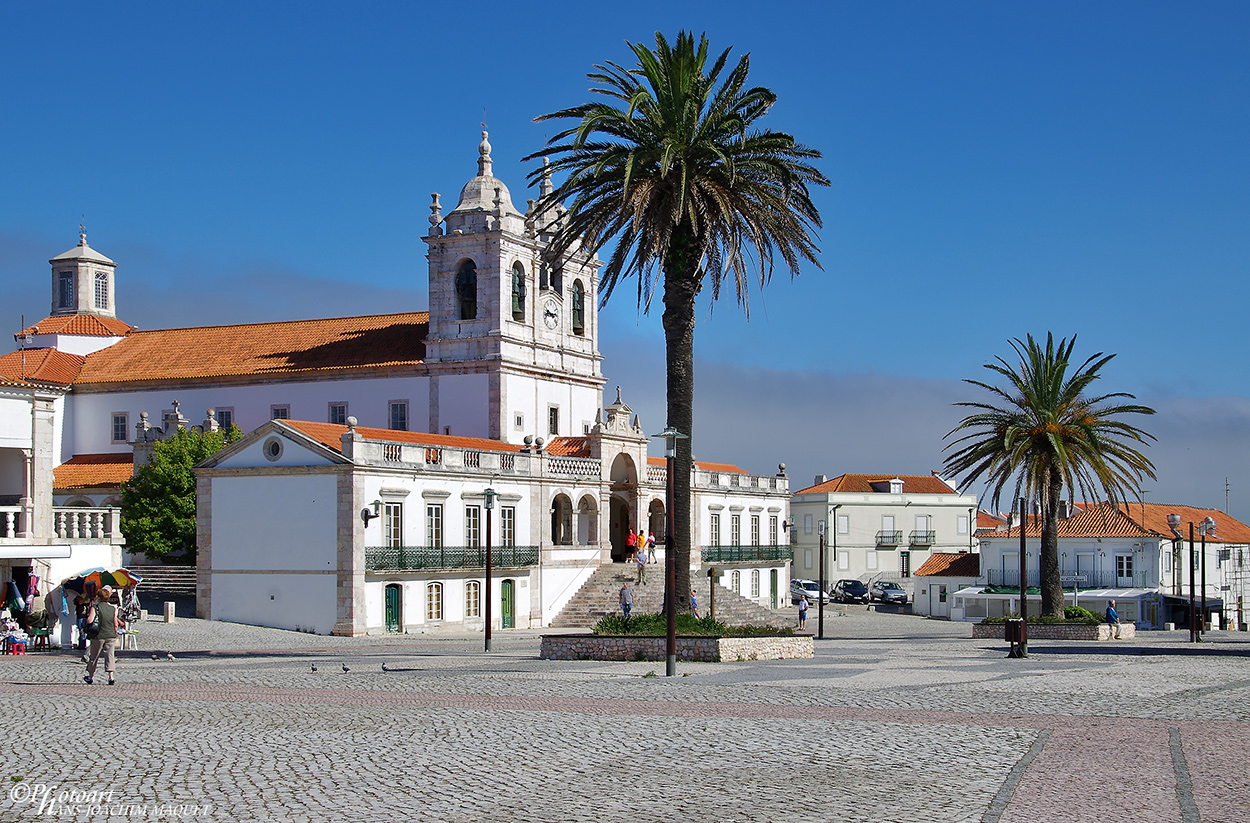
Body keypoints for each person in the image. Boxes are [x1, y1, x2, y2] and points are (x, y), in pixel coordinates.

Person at [84, 585, 125, 685]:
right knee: (110, 656)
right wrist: (115, 632)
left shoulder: (95, 608)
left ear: (98, 597)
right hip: (110, 635)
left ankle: (90, 676)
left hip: (98, 635)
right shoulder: (112, 608)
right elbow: (115, 623)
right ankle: (111, 677)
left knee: (94, 656)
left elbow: (89, 620)